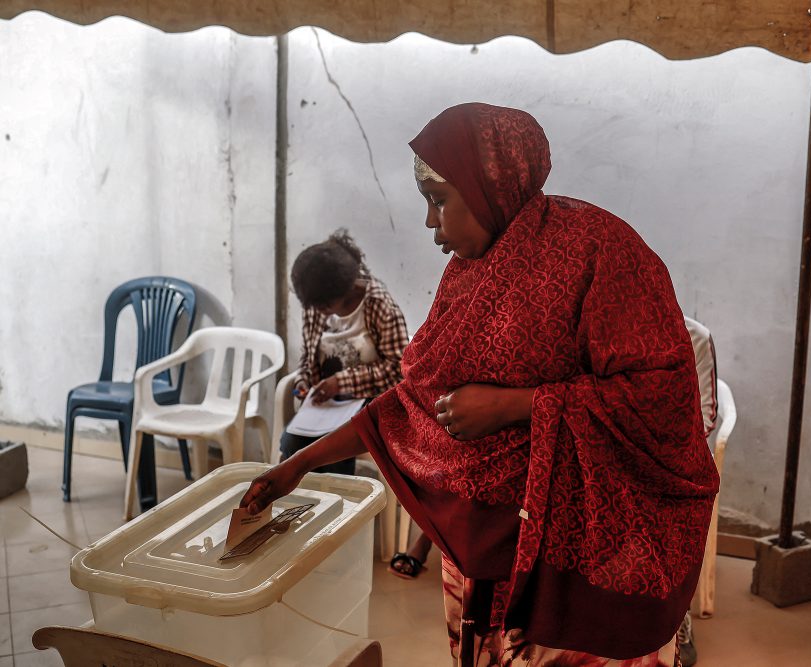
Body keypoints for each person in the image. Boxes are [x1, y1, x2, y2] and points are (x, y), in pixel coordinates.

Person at [243, 103, 719, 666]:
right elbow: (412, 403)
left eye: (439, 201)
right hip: (478, 551)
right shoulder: (471, 271)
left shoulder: (599, 252)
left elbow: (661, 398)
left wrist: (517, 406)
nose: (429, 223)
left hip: (577, 556)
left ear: (491, 184)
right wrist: (298, 465)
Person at [279, 229, 408, 475]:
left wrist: (341, 382)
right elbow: (309, 356)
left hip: (370, 403)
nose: (319, 311)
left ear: (346, 290)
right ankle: (305, 508)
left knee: (333, 452)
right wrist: (304, 383)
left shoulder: (379, 306)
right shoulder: (316, 305)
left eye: (325, 306)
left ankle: (340, 508)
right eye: (314, 307)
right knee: (291, 446)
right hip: (327, 406)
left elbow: (398, 371)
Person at [677, 317, 719, 667]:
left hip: (671, 458)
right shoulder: (600, 323)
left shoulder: (694, 336)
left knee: (674, 503)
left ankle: (676, 616)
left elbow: (704, 417)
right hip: (607, 454)